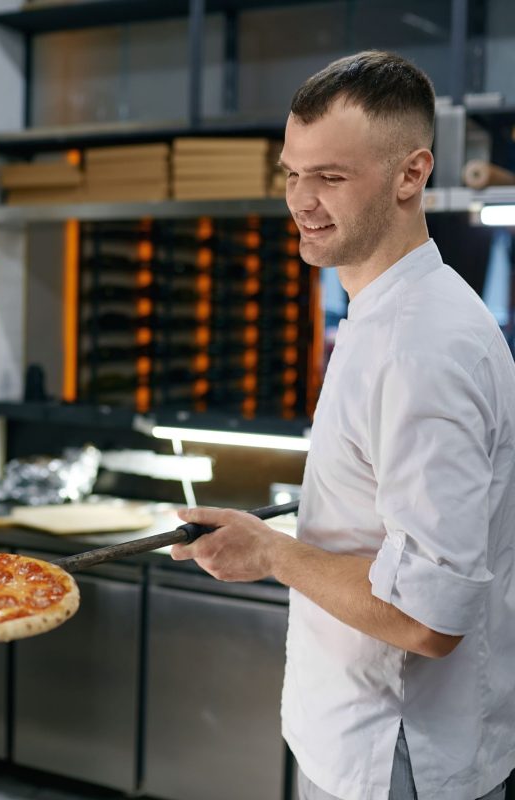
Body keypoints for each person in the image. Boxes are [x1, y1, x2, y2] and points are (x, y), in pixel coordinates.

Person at [170, 50, 515, 800]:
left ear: (410, 174)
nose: (301, 200)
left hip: (398, 759)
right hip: (360, 741)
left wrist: (272, 554)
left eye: (330, 177)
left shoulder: (426, 345)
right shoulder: (381, 311)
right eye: (292, 174)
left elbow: (429, 618)